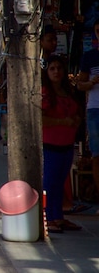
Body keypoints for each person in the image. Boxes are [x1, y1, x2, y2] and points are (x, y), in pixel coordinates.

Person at [43, 55, 83, 232]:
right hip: (50, 145)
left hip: (67, 145)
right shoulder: (44, 93)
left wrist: (75, 120)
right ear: (47, 71)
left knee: (60, 183)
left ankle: (58, 217)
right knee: (50, 183)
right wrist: (62, 122)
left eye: (59, 68)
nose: (56, 71)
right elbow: (40, 119)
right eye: (52, 68)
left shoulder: (68, 92)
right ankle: (47, 218)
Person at [75, 20, 99, 206]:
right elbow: (80, 84)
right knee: (97, 156)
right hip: (95, 109)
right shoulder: (90, 57)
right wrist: (92, 83)